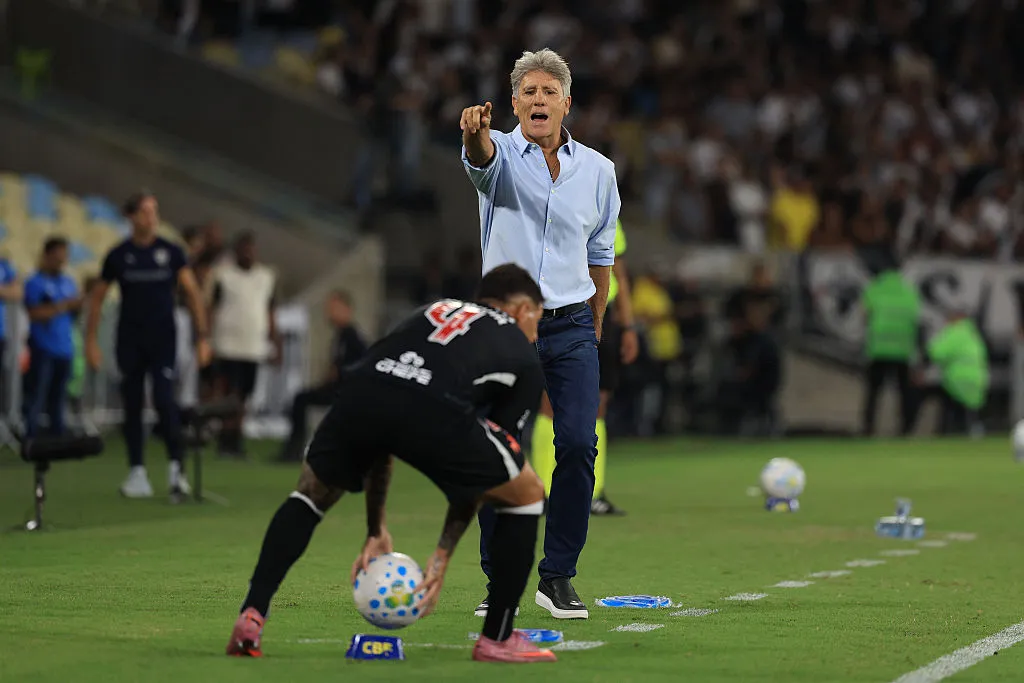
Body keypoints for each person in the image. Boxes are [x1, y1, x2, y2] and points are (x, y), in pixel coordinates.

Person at [226, 264, 556, 664]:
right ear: (522, 310)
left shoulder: (432, 310)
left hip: (363, 389)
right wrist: (442, 554)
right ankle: (497, 638)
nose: (537, 332)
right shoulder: (522, 355)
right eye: (538, 319)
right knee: (526, 493)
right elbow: (485, 477)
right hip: (433, 406)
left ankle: (253, 613)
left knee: (310, 495)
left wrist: (375, 528)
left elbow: (382, 438)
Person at [460, 48, 620, 619]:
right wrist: (475, 135)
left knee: (578, 445)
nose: (538, 100)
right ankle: (500, 578)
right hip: (506, 326)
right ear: (512, 104)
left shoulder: (599, 172)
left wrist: (595, 320)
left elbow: (601, 254)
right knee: (501, 449)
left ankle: (558, 576)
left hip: (574, 324)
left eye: (548, 92)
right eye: (528, 92)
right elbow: (479, 161)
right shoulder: (499, 151)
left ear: (566, 103)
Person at [86, 190, 211, 498]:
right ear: (130, 217)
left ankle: (176, 471)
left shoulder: (170, 252)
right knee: (131, 403)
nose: (152, 218)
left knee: (165, 399)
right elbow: (98, 298)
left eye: (154, 212)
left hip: (163, 339)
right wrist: (90, 340)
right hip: (130, 338)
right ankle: (137, 473)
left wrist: (202, 337)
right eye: (145, 212)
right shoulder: (118, 256)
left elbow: (193, 294)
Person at [531, 219, 638, 517]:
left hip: (605, 310)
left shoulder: (607, 211)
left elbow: (621, 272)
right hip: (563, 309)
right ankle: (543, 492)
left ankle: (592, 494)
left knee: (600, 402)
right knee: (550, 400)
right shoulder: (554, 206)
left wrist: (628, 326)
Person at [209, 232, 281, 457]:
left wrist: (275, 340)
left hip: (253, 345)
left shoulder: (265, 276)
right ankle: (225, 438)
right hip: (227, 344)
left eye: (252, 249)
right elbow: (213, 308)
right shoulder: (223, 276)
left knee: (245, 396)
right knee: (229, 393)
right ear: (236, 252)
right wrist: (206, 339)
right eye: (244, 249)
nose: (249, 254)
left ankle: (236, 438)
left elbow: (270, 310)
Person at [278, 290, 367, 462]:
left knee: (301, 400)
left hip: (344, 391)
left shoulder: (351, 336)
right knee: (301, 399)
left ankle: (293, 450)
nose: (329, 313)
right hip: (339, 389)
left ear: (346, 309)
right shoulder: (342, 335)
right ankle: (295, 448)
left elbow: (355, 366)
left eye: (333, 308)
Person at [22, 238, 81, 437]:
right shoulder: (35, 282)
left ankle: (58, 439)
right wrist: (62, 306)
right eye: (58, 257)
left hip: (65, 348)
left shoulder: (68, 282)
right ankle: (30, 437)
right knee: (37, 396)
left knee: (59, 397)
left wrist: (78, 306)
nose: (62, 261)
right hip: (43, 348)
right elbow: (34, 313)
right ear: (47, 256)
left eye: (64, 257)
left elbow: (73, 313)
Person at [861, 265, 920, 436]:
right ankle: (905, 429)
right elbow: (915, 319)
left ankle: (868, 428)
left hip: (879, 348)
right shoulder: (909, 291)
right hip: (902, 350)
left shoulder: (875, 288)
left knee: (874, 392)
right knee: (903, 392)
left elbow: (865, 314)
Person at [919, 308, 988, 435]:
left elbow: (935, 352)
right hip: (978, 381)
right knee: (970, 411)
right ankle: (975, 432)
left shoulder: (954, 332)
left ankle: (946, 432)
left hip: (958, 381)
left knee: (949, 409)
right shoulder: (973, 334)